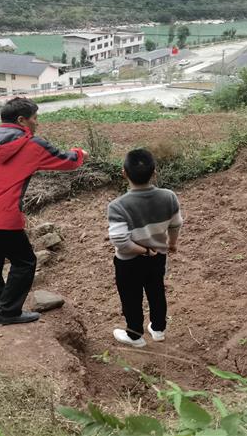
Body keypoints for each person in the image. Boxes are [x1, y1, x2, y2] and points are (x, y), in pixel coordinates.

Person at [0, 97, 88, 325]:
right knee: (25, 262)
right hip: (3, 217)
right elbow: (65, 160)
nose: (37, 123)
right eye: (35, 118)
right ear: (22, 120)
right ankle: (8, 313)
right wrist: (80, 154)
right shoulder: (33, 145)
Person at [107, 148, 183, 347]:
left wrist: (144, 250)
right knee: (156, 291)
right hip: (158, 256)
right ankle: (158, 329)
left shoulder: (118, 206)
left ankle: (135, 336)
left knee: (131, 298)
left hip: (129, 262)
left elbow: (120, 241)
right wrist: (172, 244)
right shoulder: (169, 197)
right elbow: (175, 224)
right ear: (154, 172)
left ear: (124, 172)